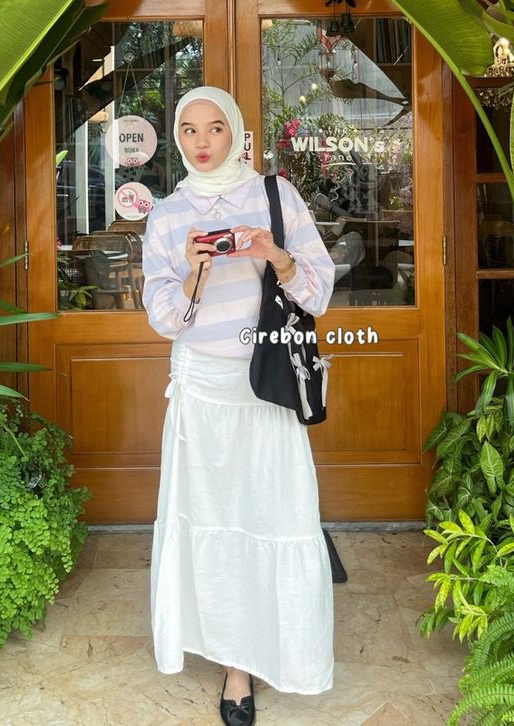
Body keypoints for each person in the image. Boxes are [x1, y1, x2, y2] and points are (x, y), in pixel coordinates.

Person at [142, 86, 336, 725]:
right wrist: (196, 270)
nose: (202, 142)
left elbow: (318, 292)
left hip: (267, 381)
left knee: (273, 514)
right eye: (189, 130)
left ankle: (281, 644)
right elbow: (166, 320)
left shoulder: (276, 196)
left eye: (215, 128)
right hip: (201, 388)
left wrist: (272, 254)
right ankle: (235, 667)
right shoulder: (168, 215)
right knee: (214, 521)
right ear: (178, 138)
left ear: (237, 133)